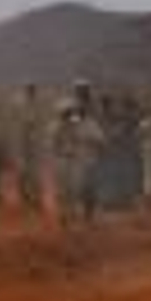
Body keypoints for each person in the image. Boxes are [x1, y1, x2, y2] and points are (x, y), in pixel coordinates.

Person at [50, 80, 106, 225]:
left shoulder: (90, 114)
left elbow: (98, 137)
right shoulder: (59, 125)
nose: (69, 114)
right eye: (65, 113)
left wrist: (98, 149)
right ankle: (67, 216)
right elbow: (52, 144)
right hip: (68, 159)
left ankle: (85, 214)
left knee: (83, 188)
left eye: (84, 88)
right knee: (66, 189)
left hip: (84, 157)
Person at [13, 84, 46, 212]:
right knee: (22, 169)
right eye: (29, 89)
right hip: (21, 140)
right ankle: (24, 194)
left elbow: (42, 121)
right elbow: (15, 121)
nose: (31, 91)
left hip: (35, 141)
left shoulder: (39, 103)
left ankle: (37, 197)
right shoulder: (18, 102)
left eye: (32, 89)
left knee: (35, 171)